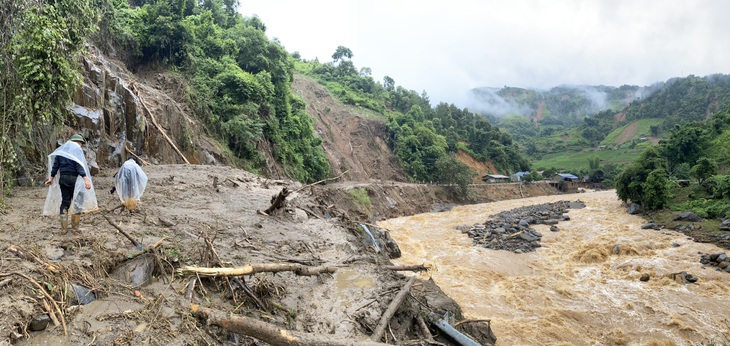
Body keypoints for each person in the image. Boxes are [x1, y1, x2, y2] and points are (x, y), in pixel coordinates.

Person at [43, 134, 98, 233]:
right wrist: (86, 179)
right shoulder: (76, 151)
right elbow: (79, 166)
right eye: (81, 143)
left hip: (63, 179)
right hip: (74, 179)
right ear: (78, 142)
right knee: (77, 202)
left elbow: (55, 167)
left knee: (65, 203)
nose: (80, 145)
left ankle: (64, 229)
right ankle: (75, 228)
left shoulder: (61, 153)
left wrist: (51, 178)